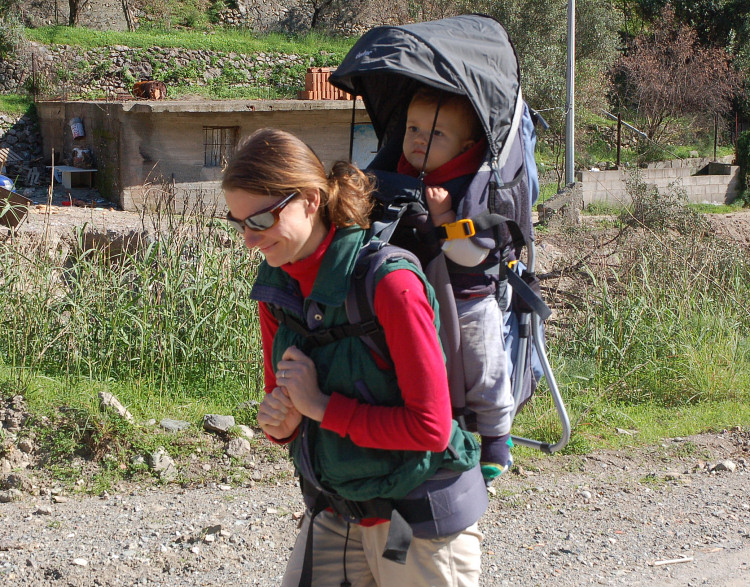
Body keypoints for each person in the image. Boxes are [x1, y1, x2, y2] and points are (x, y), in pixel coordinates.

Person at [222, 128, 487, 587]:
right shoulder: (276, 290)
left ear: (307, 199)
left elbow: (431, 428)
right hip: (339, 506)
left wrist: (320, 407)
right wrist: (281, 425)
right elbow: (285, 408)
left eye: (260, 221)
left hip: (415, 515)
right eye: (238, 222)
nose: (249, 240)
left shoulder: (389, 284)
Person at [398, 86, 516, 485]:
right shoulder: (399, 176)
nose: (417, 139)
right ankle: (444, 432)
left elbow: (472, 254)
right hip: (422, 300)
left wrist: (445, 214)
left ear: (466, 146)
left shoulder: (469, 184)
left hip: (470, 297)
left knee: (485, 367)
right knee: (432, 371)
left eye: (434, 134)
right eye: (412, 128)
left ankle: (498, 436)